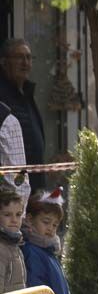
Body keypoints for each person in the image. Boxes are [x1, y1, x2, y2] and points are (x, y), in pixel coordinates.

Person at [0, 39, 45, 192]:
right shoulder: (2, 98)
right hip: (10, 194)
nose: (25, 63)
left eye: (28, 57)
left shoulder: (27, 94)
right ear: (5, 62)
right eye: (19, 57)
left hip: (31, 189)